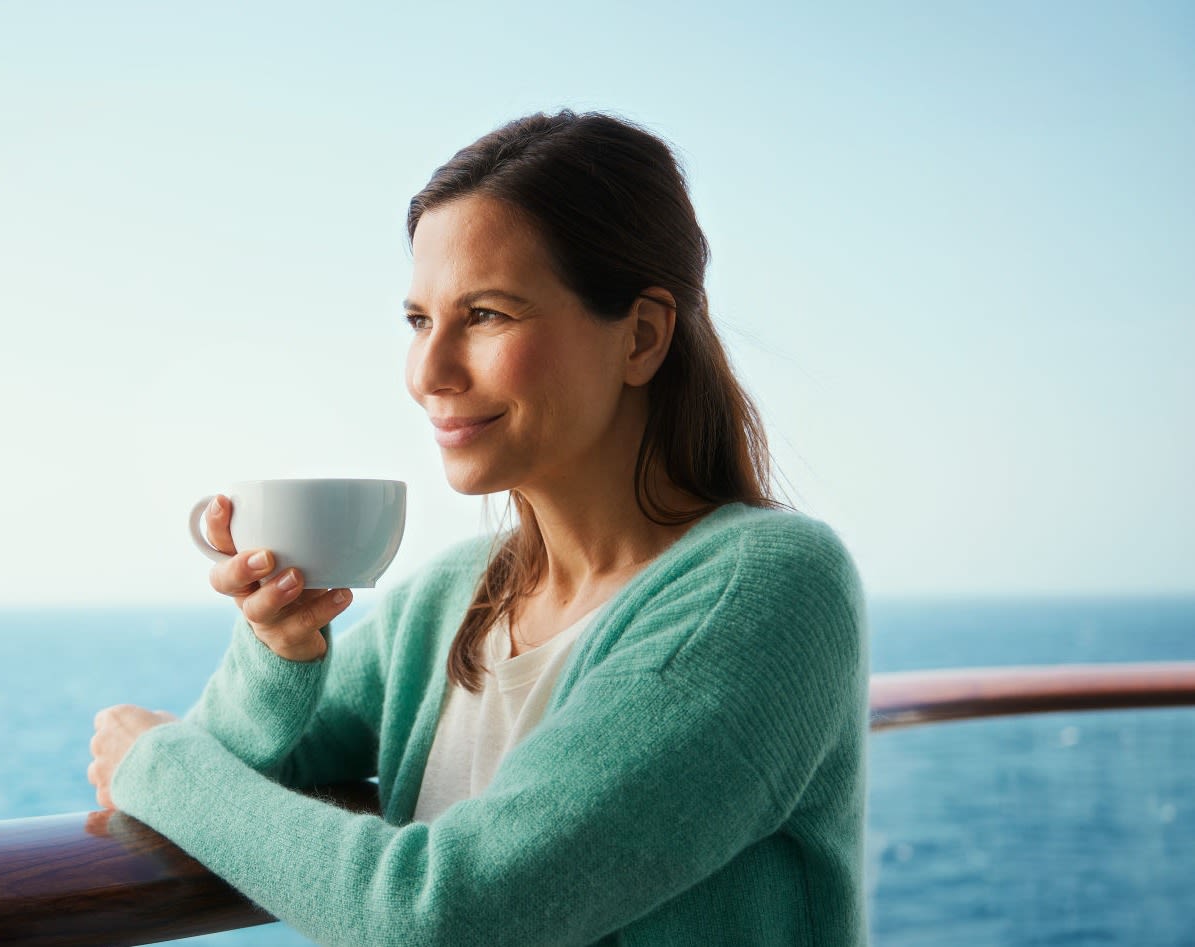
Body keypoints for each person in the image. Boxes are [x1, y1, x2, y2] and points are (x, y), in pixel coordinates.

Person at [87, 109, 868, 946]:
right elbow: (232, 765)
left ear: (641, 337)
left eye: (487, 314)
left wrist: (154, 763)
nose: (428, 373)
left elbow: (445, 916)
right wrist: (278, 652)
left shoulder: (768, 589)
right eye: (418, 321)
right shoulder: (451, 597)